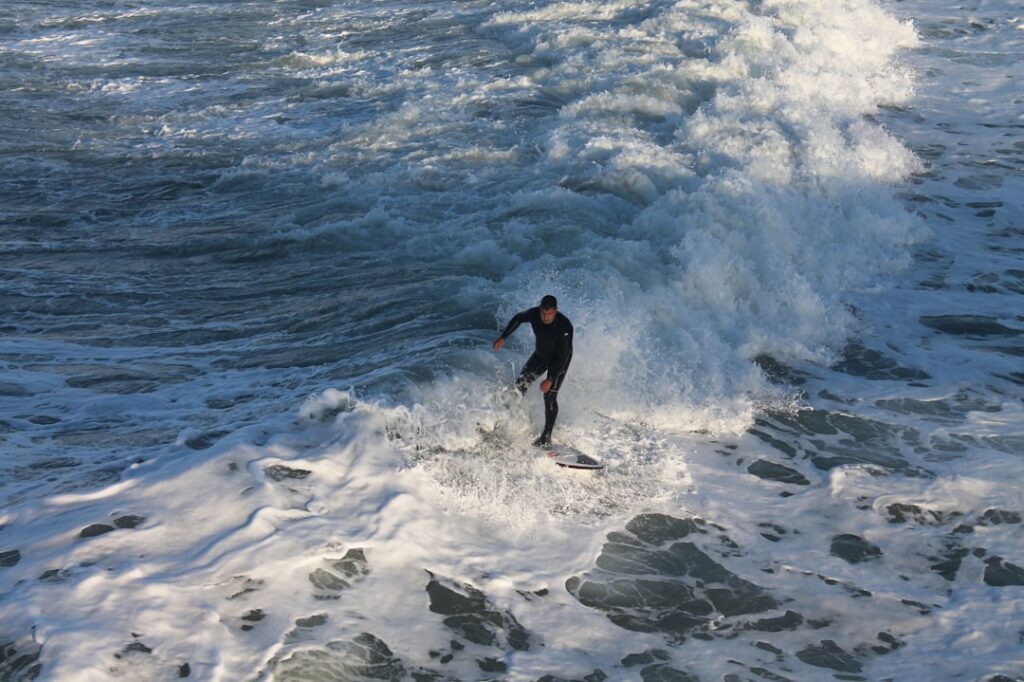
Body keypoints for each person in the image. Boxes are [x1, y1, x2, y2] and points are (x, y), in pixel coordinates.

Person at [492, 294, 573, 447]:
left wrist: (550, 379)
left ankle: (546, 437)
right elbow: (518, 318)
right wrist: (503, 337)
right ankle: (511, 419)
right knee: (520, 385)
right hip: (540, 357)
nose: (545, 317)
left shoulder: (564, 327)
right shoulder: (535, 314)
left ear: (555, 311)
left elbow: (564, 355)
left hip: (559, 362)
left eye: (549, 314)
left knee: (549, 397)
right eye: (543, 313)